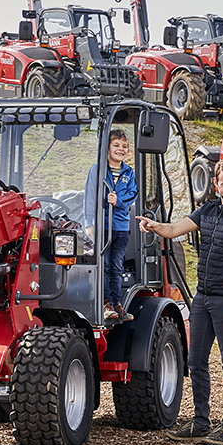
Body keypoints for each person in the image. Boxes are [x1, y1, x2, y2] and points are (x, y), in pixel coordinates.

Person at [138, 158, 223, 445]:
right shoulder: (207, 209)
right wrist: (154, 225)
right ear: (216, 183)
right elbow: (173, 230)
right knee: (195, 361)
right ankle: (201, 422)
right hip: (202, 297)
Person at [84, 129, 138, 322]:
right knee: (104, 265)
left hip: (121, 227)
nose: (120, 149)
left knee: (116, 266)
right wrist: (90, 224)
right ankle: (105, 302)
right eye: (116, 145)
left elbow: (132, 195)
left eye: (124, 146)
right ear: (107, 148)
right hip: (102, 226)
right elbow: (90, 197)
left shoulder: (128, 172)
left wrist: (119, 201)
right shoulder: (97, 170)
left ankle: (117, 303)